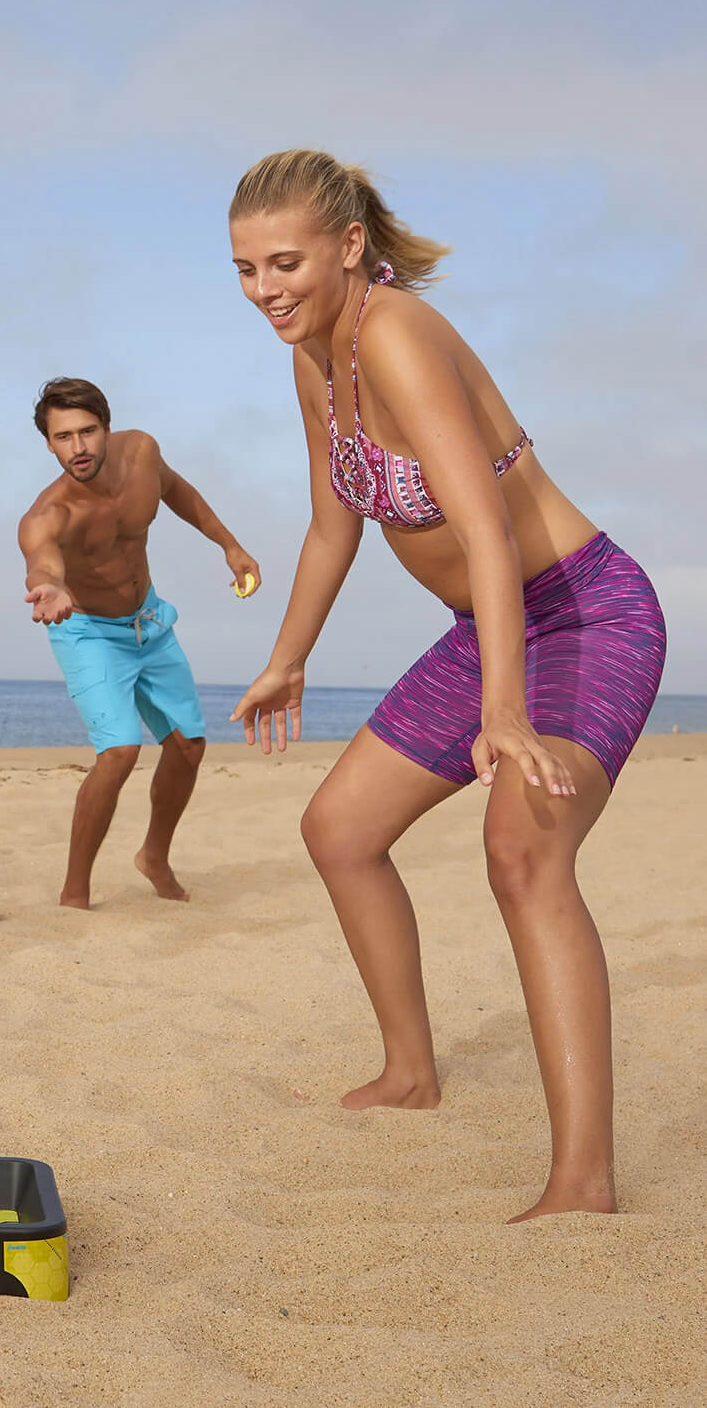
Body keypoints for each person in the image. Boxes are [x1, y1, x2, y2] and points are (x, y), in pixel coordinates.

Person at [226, 150, 667, 1220]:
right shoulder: (313, 364)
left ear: (347, 247)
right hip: (489, 624)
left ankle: (582, 1183)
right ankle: (411, 1073)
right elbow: (336, 522)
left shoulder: (398, 335)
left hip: (585, 613)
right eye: (244, 269)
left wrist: (504, 712)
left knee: (521, 851)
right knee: (339, 830)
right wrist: (290, 656)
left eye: (283, 262)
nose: (265, 288)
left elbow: (478, 528)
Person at [18, 377, 260, 909]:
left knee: (189, 746)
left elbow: (178, 493)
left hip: (147, 621)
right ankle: (74, 891)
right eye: (63, 438)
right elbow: (43, 558)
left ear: (107, 427)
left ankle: (153, 855)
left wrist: (230, 546)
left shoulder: (143, 452)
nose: (77, 448)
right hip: (89, 632)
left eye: (86, 432)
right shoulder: (49, 514)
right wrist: (51, 585)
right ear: (48, 443)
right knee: (120, 751)